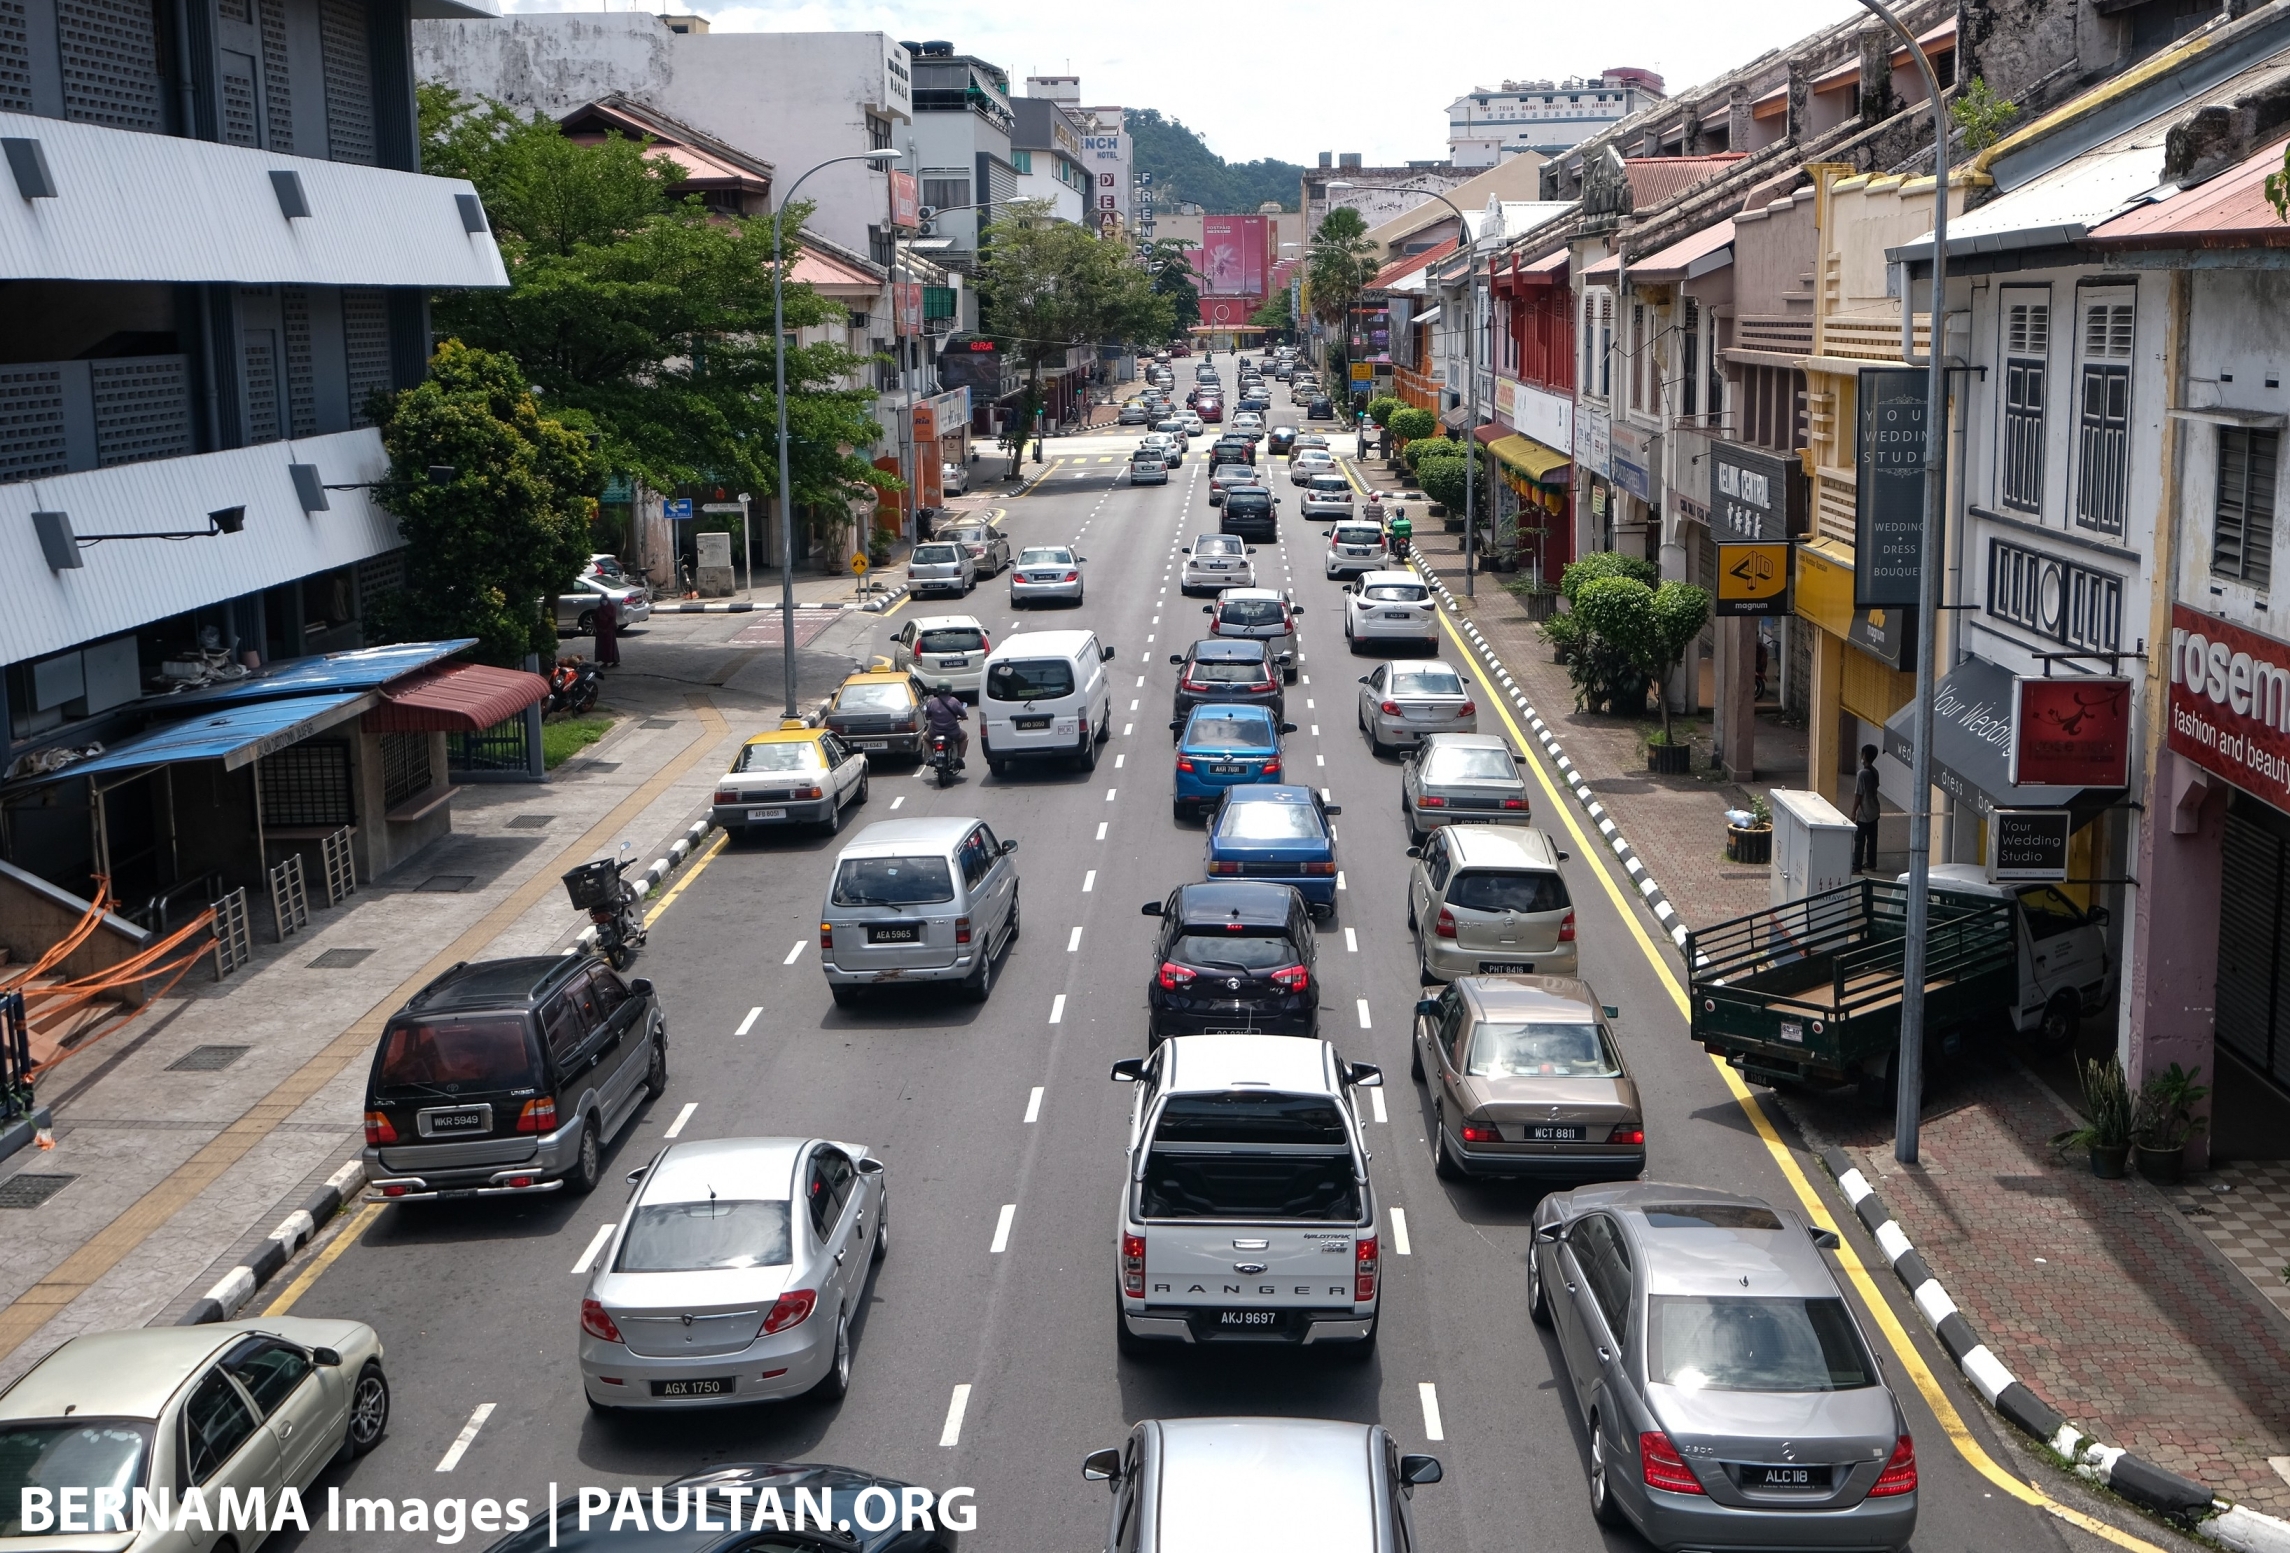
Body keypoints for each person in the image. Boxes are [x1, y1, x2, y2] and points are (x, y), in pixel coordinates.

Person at [923, 681, 968, 765]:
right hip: (953, 733)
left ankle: (932, 757)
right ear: (950, 690)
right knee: (964, 737)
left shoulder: (932, 702)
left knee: (924, 738)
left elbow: (927, 715)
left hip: (934, 733)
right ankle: (959, 758)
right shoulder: (954, 701)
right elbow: (964, 714)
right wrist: (963, 717)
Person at [1852, 744, 1882, 871]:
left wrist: (1853, 812)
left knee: (1859, 840)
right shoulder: (1874, 771)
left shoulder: (1862, 774)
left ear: (1864, 756)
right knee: (1872, 839)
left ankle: (1856, 867)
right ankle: (1871, 863)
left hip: (1865, 813)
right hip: (1874, 811)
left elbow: (1859, 795)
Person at [594, 594, 621, 669]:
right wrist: (599, 629)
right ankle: (604, 662)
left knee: (611, 646)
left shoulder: (612, 608)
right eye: (602, 601)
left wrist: (607, 629)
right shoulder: (599, 609)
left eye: (605, 600)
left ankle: (615, 661)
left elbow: (613, 620)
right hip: (601, 631)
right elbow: (595, 620)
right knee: (602, 647)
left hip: (609, 631)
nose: (604, 602)